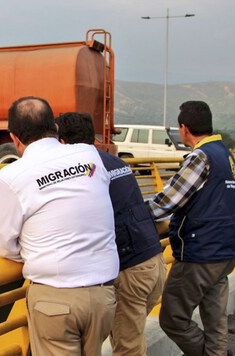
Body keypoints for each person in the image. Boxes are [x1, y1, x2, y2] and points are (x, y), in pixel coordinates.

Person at [0, 97, 118, 356]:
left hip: (55, 299)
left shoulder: (11, 175)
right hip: (103, 296)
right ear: (55, 128)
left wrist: (34, 251)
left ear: (14, 138)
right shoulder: (89, 155)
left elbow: (2, 243)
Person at [56, 112, 166, 356]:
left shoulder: (83, 171)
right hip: (153, 260)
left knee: (128, 347)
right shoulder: (115, 162)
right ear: (92, 138)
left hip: (129, 269)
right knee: (128, 336)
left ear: (62, 142)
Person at [146, 101, 235, 356]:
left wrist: (136, 213)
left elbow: (168, 201)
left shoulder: (201, 156)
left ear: (184, 128)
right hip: (225, 250)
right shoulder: (225, 153)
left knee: (172, 318)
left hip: (199, 253)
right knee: (215, 320)